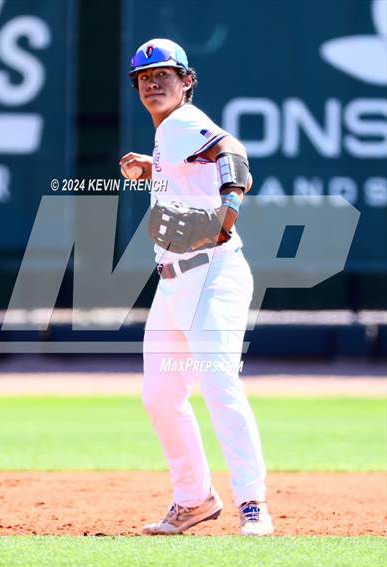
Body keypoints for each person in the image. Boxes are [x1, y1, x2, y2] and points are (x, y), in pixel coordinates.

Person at [120, 38, 273, 536]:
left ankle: (252, 503)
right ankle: (194, 500)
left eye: (164, 75)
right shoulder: (170, 134)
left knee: (218, 385)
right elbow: (199, 169)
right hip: (174, 284)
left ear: (186, 82)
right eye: (144, 78)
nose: (152, 83)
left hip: (212, 274)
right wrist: (154, 167)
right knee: (160, 397)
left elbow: (233, 152)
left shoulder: (182, 122)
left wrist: (231, 204)